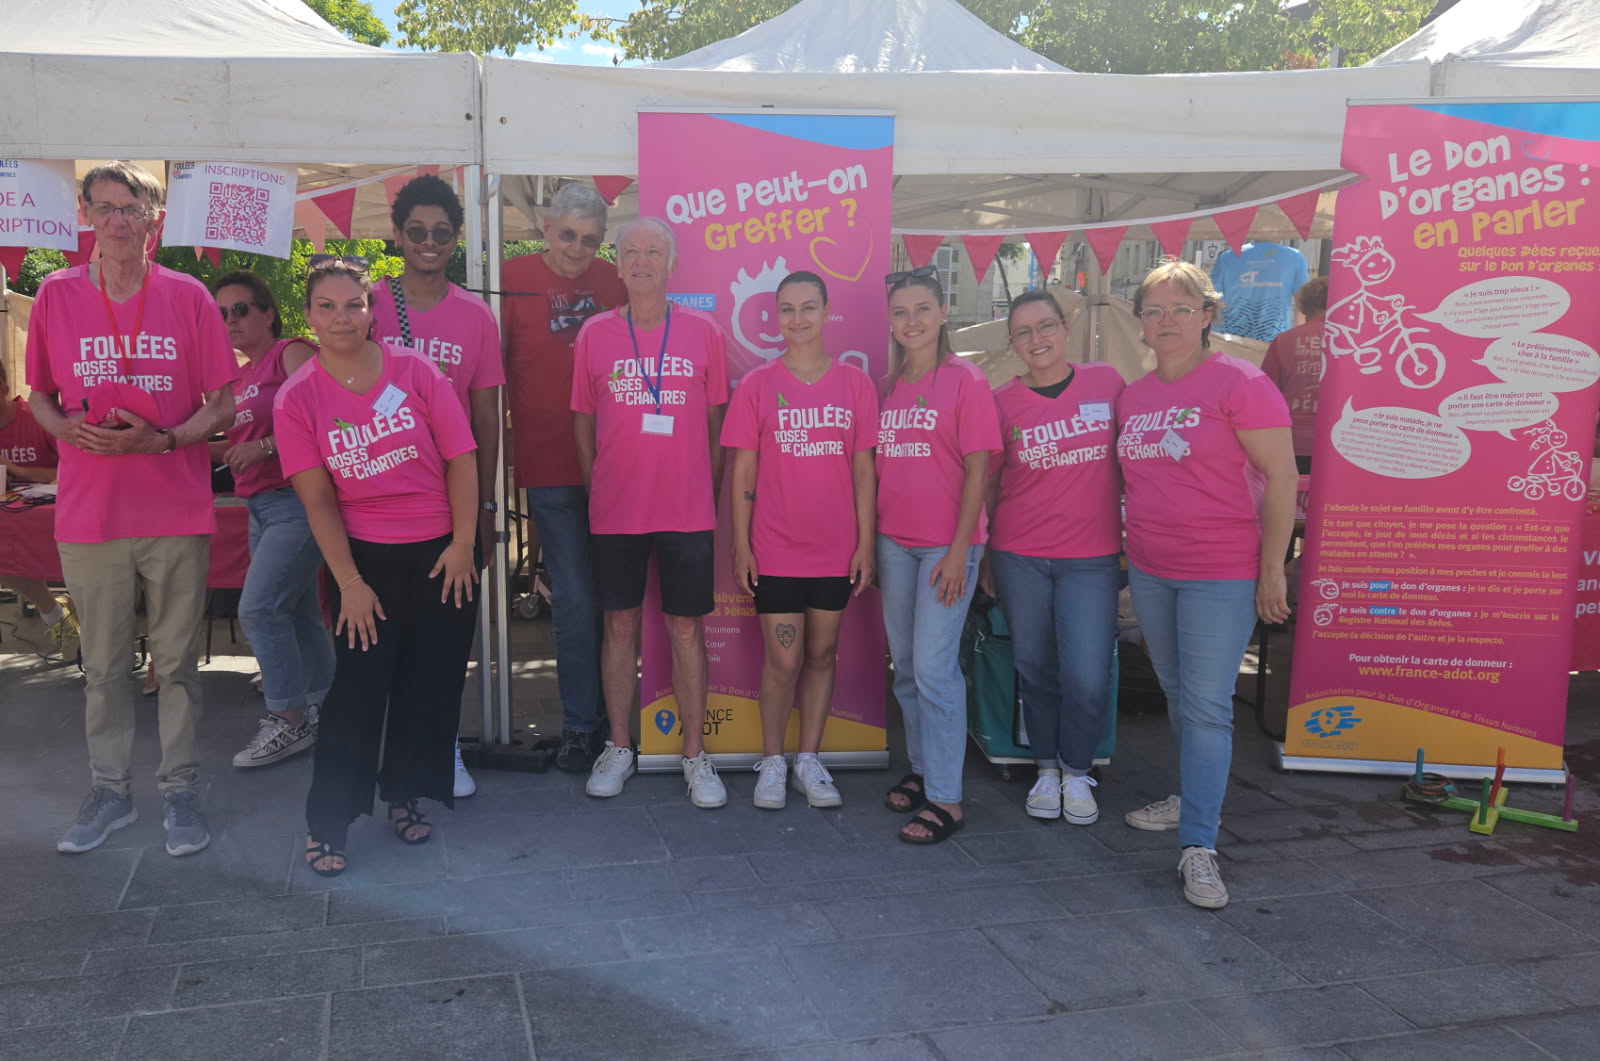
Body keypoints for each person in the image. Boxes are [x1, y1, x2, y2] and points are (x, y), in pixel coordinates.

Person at [26, 161, 238, 857]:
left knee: (176, 664)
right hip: (91, 514)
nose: (119, 221)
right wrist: (65, 431)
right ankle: (110, 791)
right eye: (106, 207)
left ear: (156, 219)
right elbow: (40, 396)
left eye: (132, 208)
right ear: (85, 215)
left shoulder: (189, 296)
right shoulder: (55, 294)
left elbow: (223, 403)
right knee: (103, 666)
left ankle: (180, 790)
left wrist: (167, 439)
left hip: (174, 509)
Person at [274, 257, 480, 878]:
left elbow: (462, 458)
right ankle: (327, 822)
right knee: (357, 696)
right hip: (363, 561)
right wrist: (351, 584)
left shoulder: (416, 371)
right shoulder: (297, 398)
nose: (342, 318)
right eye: (327, 307)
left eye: (353, 305)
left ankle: (406, 793)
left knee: (430, 685)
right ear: (309, 316)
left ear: (371, 312)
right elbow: (317, 499)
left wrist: (463, 544)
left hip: (442, 555)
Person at [1116, 260, 1296, 910]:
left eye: (1181, 309)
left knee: (1208, 705)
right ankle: (1193, 795)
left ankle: (1199, 844)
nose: (1167, 321)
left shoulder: (1239, 383)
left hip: (1221, 571)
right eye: (1154, 310)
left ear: (1208, 316)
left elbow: (1282, 477)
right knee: (1177, 693)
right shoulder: (1134, 396)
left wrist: (1272, 568)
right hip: (1152, 569)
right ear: (1141, 322)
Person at [572, 217, 729, 808]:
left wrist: (704, 489)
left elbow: (717, 425)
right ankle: (619, 746)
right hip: (617, 510)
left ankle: (694, 754)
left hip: (687, 509)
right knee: (619, 625)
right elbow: (582, 421)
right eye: (631, 251)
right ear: (617, 264)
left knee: (687, 629)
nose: (641, 260)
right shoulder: (594, 334)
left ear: (672, 264)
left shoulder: (704, 332)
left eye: (653, 251)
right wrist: (599, 485)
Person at [369, 173, 504, 799]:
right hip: (374, 501)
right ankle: (392, 750)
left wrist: (484, 509)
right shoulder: (365, 305)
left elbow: (486, 418)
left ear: (456, 240)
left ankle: (440, 747)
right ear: (397, 235)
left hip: (451, 505)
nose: (429, 242)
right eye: (417, 231)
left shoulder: (476, 316)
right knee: (382, 640)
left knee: (445, 639)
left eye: (442, 233)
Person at [722, 270, 878, 810]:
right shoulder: (757, 386)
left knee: (822, 653)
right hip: (775, 548)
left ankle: (808, 760)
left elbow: (864, 470)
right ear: (777, 317)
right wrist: (742, 544)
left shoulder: (856, 384)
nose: (797, 318)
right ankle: (772, 761)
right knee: (783, 660)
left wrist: (865, 543)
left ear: (827, 311)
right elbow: (743, 472)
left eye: (808, 307)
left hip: (835, 550)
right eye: (787, 308)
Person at [980, 290, 1123, 825]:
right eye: (1023, 331)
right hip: (1020, 555)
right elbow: (989, 485)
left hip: (1092, 557)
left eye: (1045, 326)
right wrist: (988, 555)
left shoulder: (1107, 384)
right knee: (1035, 667)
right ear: (1012, 342)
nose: (1036, 339)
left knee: (1087, 673)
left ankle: (1078, 770)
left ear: (1065, 328)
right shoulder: (1001, 403)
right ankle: (1045, 767)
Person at [502, 183, 627, 773]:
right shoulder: (511, 277)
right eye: (569, 235)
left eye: (591, 239)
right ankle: (581, 725)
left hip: (620, 466)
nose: (579, 249)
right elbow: (491, 373)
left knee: (619, 601)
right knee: (575, 598)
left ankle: (617, 721)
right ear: (547, 228)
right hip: (551, 467)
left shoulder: (616, 282)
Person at [876, 266, 1001, 844]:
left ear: (943, 313)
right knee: (905, 668)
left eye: (922, 309)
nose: (912, 322)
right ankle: (924, 769)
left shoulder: (965, 380)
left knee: (933, 668)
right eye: (901, 312)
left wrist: (959, 551)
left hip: (946, 548)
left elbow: (980, 470)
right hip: (894, 543)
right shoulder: (888, 385)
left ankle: (947, 798)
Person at [208, 270, 332, 768]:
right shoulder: (238, 379)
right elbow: (229, 445)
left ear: (268, 313)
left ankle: (289, 718)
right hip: (260, 507)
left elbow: (328, 414)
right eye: (221, 313)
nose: (230, 320)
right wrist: (164, 444)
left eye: (240, 309)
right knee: (296, 611)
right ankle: (327, 708)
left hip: (298, 501)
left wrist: (265, 446)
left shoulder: (290, 353)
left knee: (258, 610)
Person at [0, 358, 79, 662]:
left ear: (4, 389)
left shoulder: (37, 418)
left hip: (59, 512)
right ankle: (55, 616)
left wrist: (14, 469)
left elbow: (72, 469)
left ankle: (72, 617)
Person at [1260, 275, 1330, 473]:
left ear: (1304, 307)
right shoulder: (1353, 342)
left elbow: (1264, 394)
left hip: (1292, 441)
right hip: (1340, 442)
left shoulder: (1284, 340)